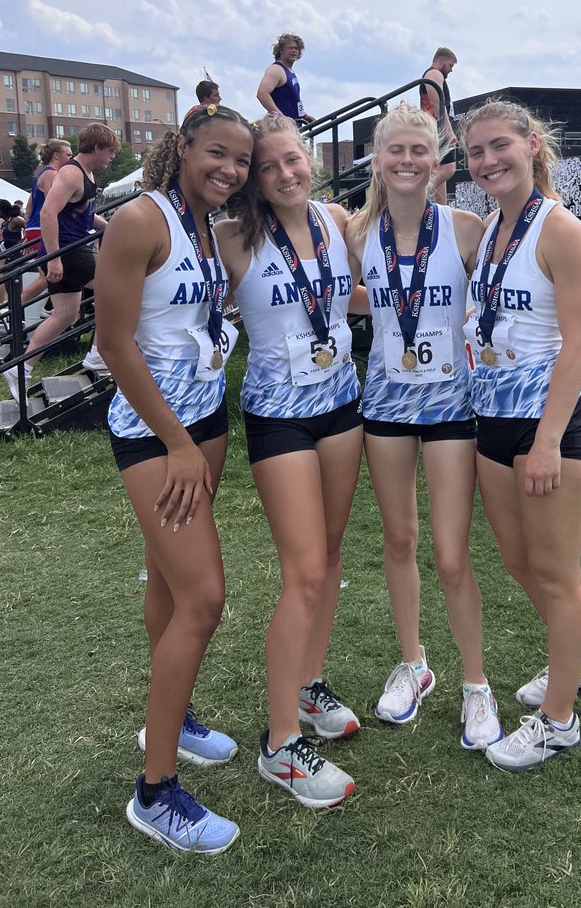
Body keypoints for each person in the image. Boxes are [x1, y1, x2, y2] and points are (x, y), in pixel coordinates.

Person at [95, 103, 254, 855]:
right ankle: (155, 794)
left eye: (242, 161)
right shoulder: (141, 220)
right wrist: (177, 443)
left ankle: (174, 716)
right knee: (204, 598)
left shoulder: (206, 226)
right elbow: (114, 343)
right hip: (156, 435)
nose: (230, 169)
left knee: (167, 579)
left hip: (206, 419)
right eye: (217, 153)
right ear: (183, 147)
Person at [346, 104, 504, 750]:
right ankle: (414, 663)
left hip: (450, 409)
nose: (407, 161)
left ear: (436, 161)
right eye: (396, 151)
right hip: (385, 406)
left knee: (450, 552)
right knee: (399, 539)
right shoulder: (357, 232)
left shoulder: (467, 229)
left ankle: (476, 684)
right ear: (378, 160)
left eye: (419, 150)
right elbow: (350, 293)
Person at [216, 114, 360, 809]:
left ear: (310, 159)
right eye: (267, 166)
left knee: (329, 556)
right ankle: (279, 745)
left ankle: (308, 685)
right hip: (279, 414)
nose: (284, 174)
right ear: (253, 177)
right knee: (302, 572)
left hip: (342, 403)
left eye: (292, 160)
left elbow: (363, 287)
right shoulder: (232, 237)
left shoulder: (337, 220)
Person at [458, 99, 581, 773]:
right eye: (475, 152)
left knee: (555, 572)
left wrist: (547, 440)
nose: (488, 161)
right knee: (518, 561)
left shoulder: (561, 230)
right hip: (493, 422)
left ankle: (559, 721)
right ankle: (577, 662)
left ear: (532, 146)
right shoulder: (493, 227)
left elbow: (579, 343)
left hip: (550, 430)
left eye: (499, 146)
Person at [3, 124, 117, 398]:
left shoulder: (85, 173)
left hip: (68, 249)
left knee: (65, 315)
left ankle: (20, 369)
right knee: (118, 291)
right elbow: (47, 213)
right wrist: (53, 259)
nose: (112, 157)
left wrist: (113, 226)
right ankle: (97, 353)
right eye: (111, 151)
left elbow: (84, 214)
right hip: (67, 250)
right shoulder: (71, 173)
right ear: (97, 147)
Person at [21, 140, 74, 307]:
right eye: (68, 155)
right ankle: (14, 309)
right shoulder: (52, 174)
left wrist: (28, 230)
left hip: (35, 226)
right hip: (42, 227)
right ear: (56, 155)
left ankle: (52, 308)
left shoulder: (41, 174)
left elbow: (29, 207)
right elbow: (53, 206)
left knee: (50, 273)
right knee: (46, 276)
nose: (71, 159)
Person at [419, 47, 458, 206]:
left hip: (435, 128)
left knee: (439, 170)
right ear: (441, 61)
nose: (451, 70)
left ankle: (442, 209)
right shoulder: (434, 74)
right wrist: (448, 131)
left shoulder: (434, 75)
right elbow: (437, 104)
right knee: (449, 169)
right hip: (437, 129)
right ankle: (413, 195)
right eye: (450, 65)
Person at [256, 33, 315, 128]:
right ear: (281, 50)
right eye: (291, 48)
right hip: (281, 128)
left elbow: (293, 100)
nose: (294, 51)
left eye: (296, 48)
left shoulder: (290, 71)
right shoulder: (276, 69)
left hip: (294, 125)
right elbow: (262, 93)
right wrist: (281, 117)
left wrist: (304, 115)